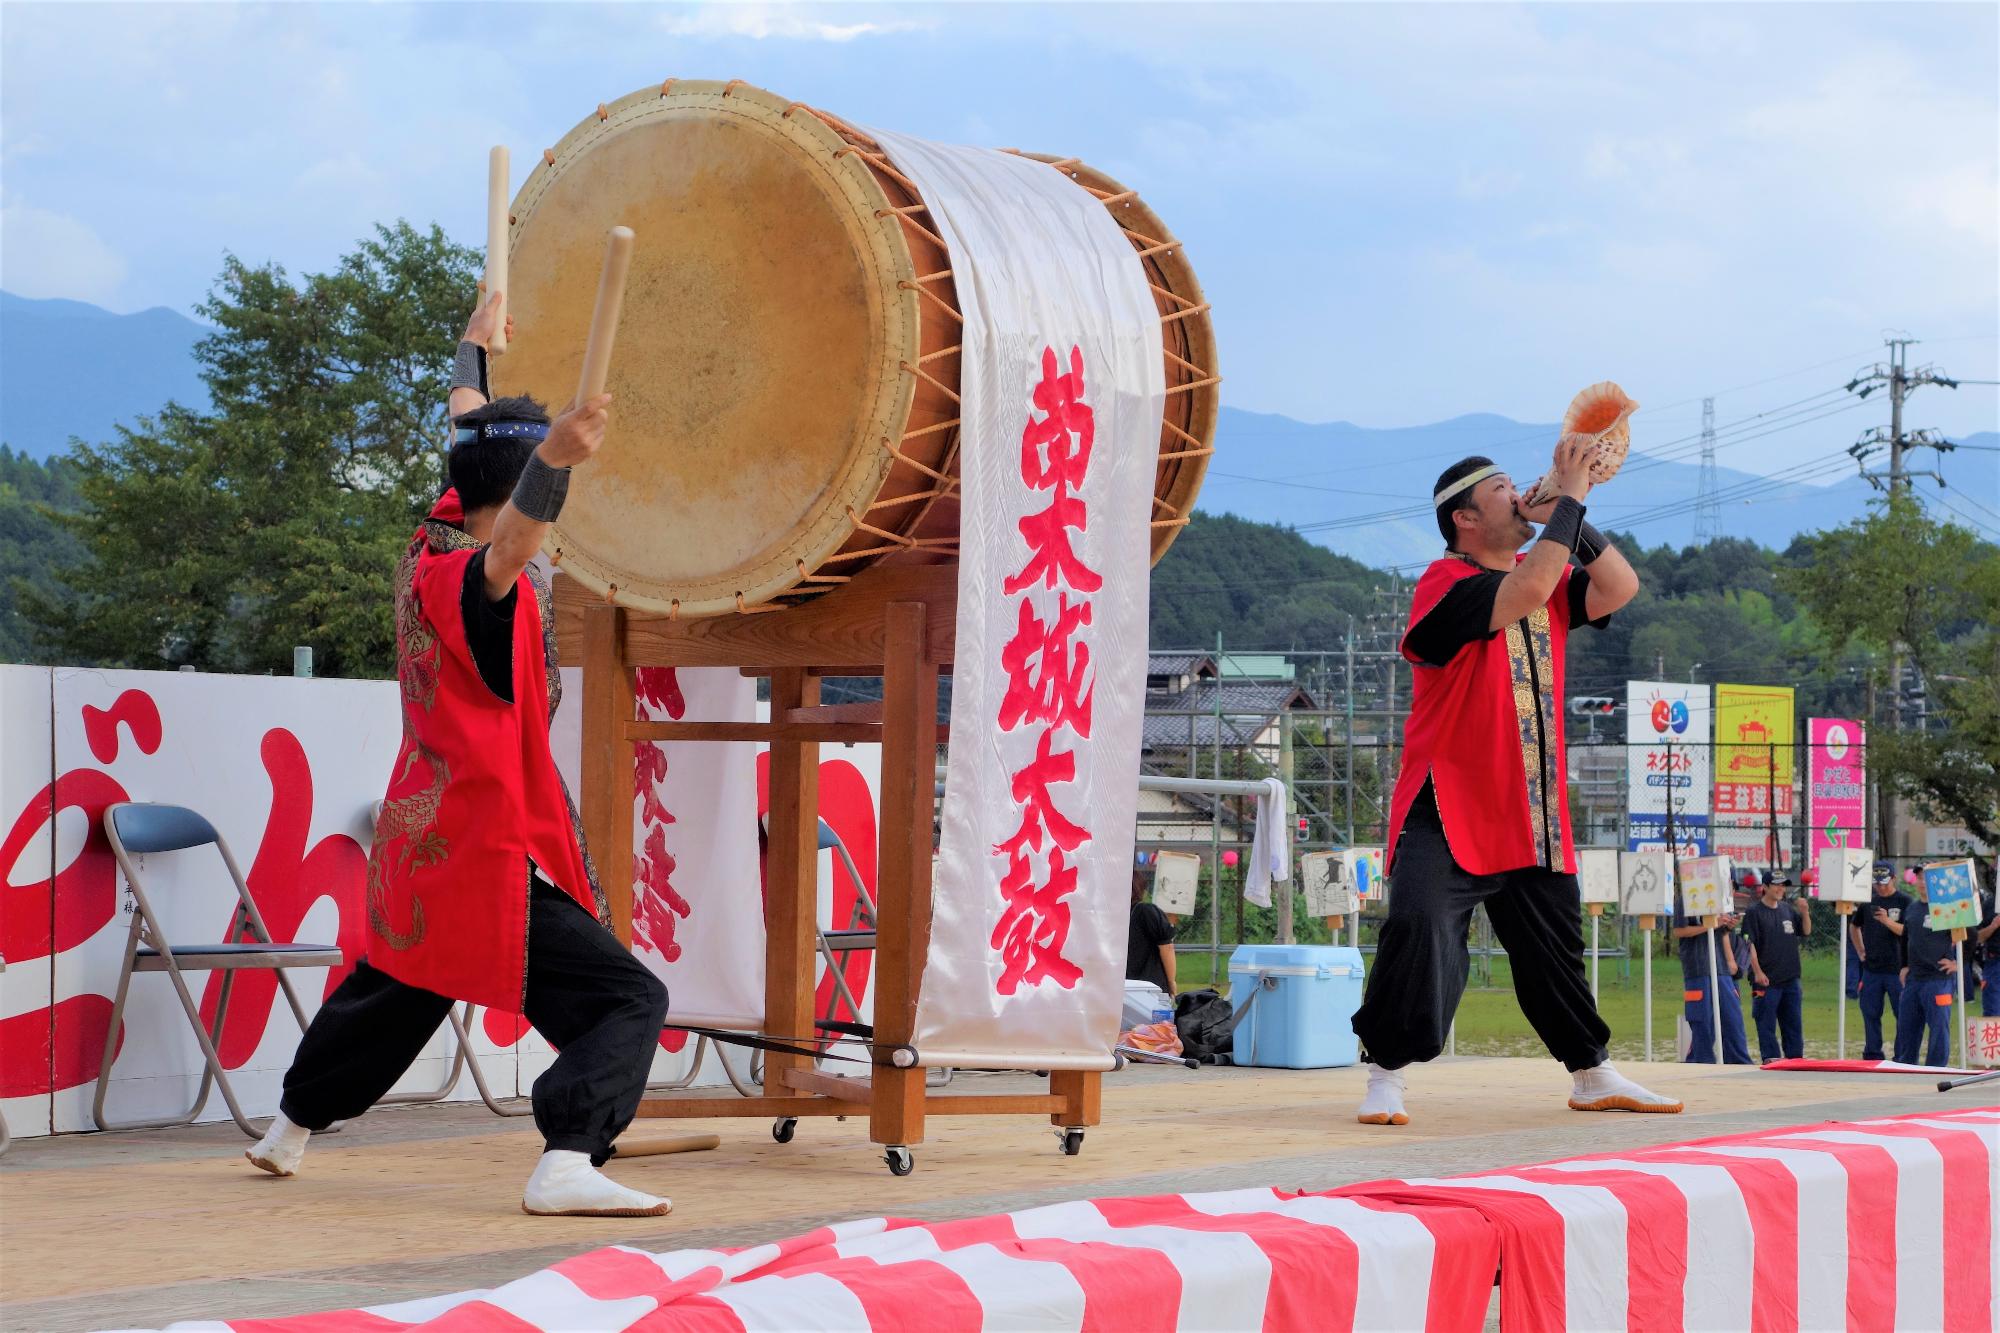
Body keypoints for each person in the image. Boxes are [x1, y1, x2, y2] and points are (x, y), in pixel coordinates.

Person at [244, 293, 673, 1217]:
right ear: (518, 492)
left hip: (422, 842)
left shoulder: (427, 541)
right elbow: (512, 542)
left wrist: (471, 350)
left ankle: (288, 1126)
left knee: (397, 989)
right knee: (627, 998)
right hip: (484, 848)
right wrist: (556, 456)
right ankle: (568, 1155)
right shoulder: (475, 582)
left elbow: (470, 435)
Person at [1349, 441, 1681, 1124]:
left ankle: (1591, 1070)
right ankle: (1386, 1070)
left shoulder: (1547, 582)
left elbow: (1620, 586)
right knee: (1419, 928)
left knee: (1552, 946)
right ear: (1465, 518)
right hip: (1450, 800)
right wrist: (1573, 493)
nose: (1517, 492)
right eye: (1501, 488)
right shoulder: (1445, 583)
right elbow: (1525, 588)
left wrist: (1568, 510)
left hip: (1531, 805)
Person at [1673, 897, 1753, 1065]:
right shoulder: (1685, 899)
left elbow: (1720, 932)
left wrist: (1727, 926)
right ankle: (1701, 1061)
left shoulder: (1720, 900)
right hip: (1698, 967)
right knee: (1703, 1022)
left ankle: (1739, 1062)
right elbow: (1679, 931)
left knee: (1732, 1018)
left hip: (1721, 967)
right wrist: (1709, 925)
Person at [1743, 870, 1811, 1062]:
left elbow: (1805, 931)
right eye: (1777, 884)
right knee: (1765, 1023)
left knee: (1793, 1023)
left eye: (1783, 885)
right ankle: (1771, 1058)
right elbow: (1749, 943)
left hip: (1790, 979)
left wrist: (1805, 912)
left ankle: (1795, 1060)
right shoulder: (1754, 912)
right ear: (1765, 887)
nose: (1781, 888)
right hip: (1766, 980)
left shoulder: (1787, 909)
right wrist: (1757, 971)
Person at [1893, 872, 1960, 1066]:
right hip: (1914, 980)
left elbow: (1970, 936)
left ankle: (1936, 1069)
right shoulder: (1912, 908)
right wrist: (1904, 966)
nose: (1923, 883)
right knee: (1907, 1027)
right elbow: (1905, 937)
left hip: (1939, 979)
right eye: (1920, 879)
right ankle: (1907, 1067)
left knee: (1938, 1028)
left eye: (1927, 879)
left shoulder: (1946, 908)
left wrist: (1957, 964)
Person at [1852, 862, 1910, 1060]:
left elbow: (1907, 932)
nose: (1881, 887)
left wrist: (1887, 921)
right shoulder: (1867, 903)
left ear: (1894, 878)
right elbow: (1854, 926)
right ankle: (1873, 1053)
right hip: (1872, 969)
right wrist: (1860, 949)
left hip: (1897, 968)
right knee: (1870, 1013)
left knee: (1902, 1014)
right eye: (1877, 883)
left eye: (1884, 882)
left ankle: (1901, 1054)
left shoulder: (1905, 902)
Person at [1126, 867, 1178, 997]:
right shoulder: (1146, 911)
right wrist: (1171, 981)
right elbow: (1167, 947)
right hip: (1152, 988)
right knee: (1159, 1017)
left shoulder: (1109, 915)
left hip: (1120, 988)